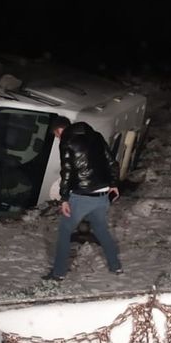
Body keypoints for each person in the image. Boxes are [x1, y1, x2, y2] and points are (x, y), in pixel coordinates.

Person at [43, 116, 122, 281]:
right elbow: (112, 162)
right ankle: (116, 266)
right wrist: (114, 184)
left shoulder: (67, 141)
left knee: (65, 231)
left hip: (82, 196)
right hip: (102, 194)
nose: (58, 137)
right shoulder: (96, 136)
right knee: (101, 230)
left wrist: (64, 198)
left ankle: (59, 273)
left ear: (59, 130)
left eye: (56, 135)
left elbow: (67, 171)